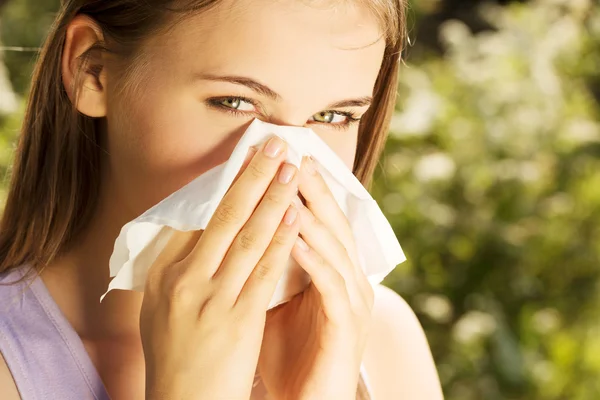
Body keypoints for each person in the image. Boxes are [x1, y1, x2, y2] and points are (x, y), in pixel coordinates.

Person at [0, 0, 444, 399]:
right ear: (92, 69)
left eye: (333, 116)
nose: (285, 166)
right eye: (234, 102)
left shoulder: (379, 343)